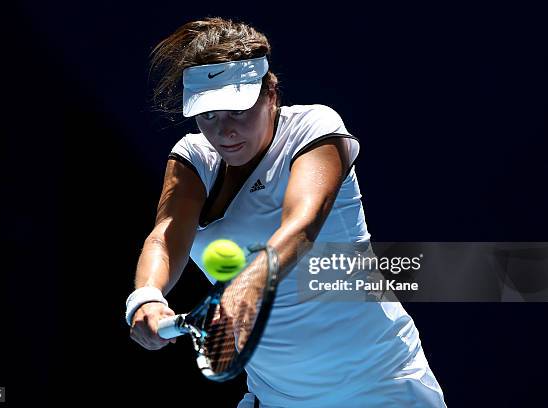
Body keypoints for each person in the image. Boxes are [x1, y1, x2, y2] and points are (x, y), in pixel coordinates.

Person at [126, 17, 447, 407]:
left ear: (271, 93)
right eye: (208, 115)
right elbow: (165, 235)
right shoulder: (193, 157)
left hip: (382, 387)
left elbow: (301, 226)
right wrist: (146, 296)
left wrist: (249, 283)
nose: (223, 130)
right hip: (276, 398)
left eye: (237, 110)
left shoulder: (315, 127)